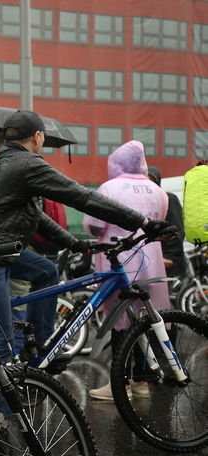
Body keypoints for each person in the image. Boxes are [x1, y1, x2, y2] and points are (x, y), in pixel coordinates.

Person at [0, 110, 174, 365]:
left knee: (46, 272)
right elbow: (81, 196)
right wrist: (144, 223)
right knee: (1, 341)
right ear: (38, 135)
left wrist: (73, 243)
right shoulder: (26, 163)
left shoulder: (5, 161)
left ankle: (40, 348)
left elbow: (36, 217)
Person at [85, 141, 169, 400]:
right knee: (145, 319)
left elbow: (94, 227)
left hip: (120, 263)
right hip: (151, 263)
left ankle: (119, 384)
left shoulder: (109, 188)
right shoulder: (157, 191)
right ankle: (143, 381)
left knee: (120, 323)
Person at [147, 165, 185, 278]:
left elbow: (176, 229)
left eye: (151, 181)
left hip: (166, 264)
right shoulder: (143, 203)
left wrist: (169, 257)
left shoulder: (168, 199)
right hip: (149, 265)